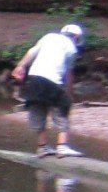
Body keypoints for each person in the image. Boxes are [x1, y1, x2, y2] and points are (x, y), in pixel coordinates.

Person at [11, 23, 83, 156]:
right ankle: (62, 146)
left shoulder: (48, 37)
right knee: (62, 108)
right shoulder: (72, 49)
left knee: (37, 109)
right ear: (75, 37)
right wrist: (68, 93)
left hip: (33, 79)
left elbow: (32, 51)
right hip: (52, 80)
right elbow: (68, 73)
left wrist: (21, 66)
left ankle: (42, 147)